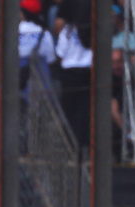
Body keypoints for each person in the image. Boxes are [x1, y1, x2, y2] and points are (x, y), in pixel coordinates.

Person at [55, 0, 93, 148]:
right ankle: (85, 140)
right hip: (87, 70)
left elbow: (60, 54)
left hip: (70, 73)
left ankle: (71, 142)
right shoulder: (92, 29)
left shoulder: (68, 31)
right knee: (85, 107)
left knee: (70, 108)